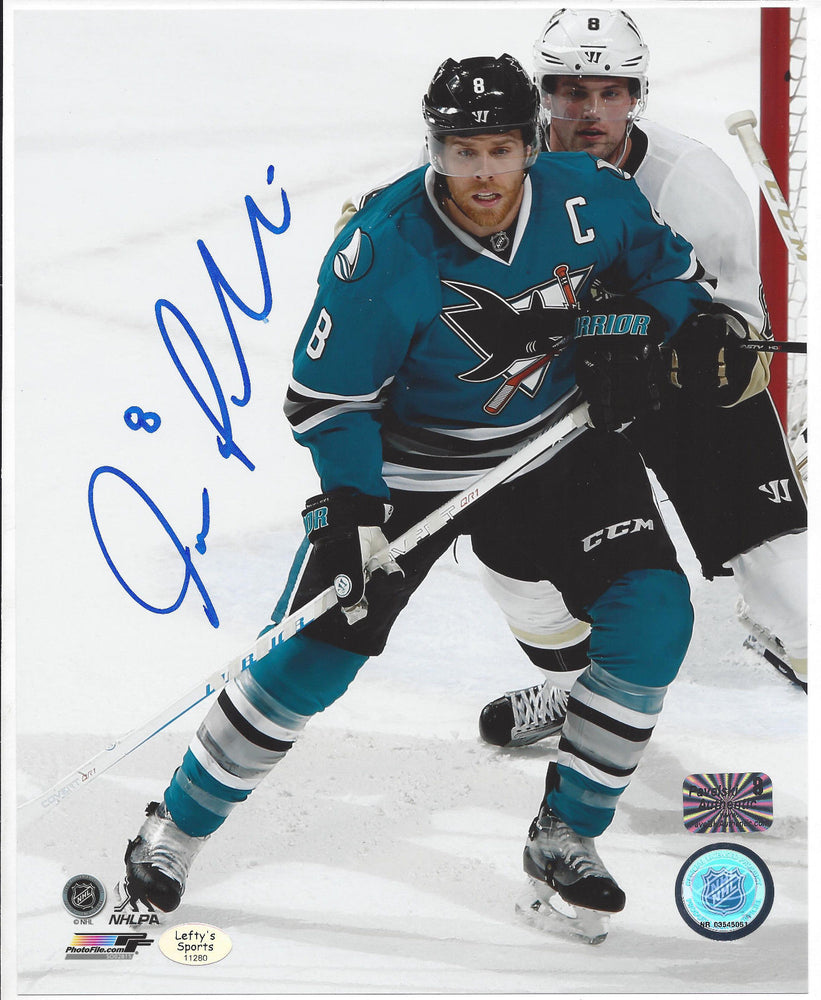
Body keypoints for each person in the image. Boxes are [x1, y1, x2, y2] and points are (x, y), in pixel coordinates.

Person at [124, 52, 713, 938]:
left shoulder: (592, 195)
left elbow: (671, 276)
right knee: (314, 656)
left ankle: (567, 833)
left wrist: (646, 332)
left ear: (531, 145)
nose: (482, 173)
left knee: (655, 619)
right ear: (433, 149)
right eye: (461, 151)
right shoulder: (382, 248)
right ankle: (174, 825)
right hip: (415, 471)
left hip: (556, 448)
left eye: (500, 149)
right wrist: (352, 511)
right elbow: (326, 401)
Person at [476, 8, 808, 750]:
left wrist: (697, 343)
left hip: (676, 388)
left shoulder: (688, 179)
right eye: (572, 92)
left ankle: (795, 638)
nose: (591, 112)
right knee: (509, 558)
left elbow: (737, 337)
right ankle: (577, 686)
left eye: (610, 93)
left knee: (798, 599)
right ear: (544, 95)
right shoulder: (496, 166)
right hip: (552, 397)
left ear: (637, 96)